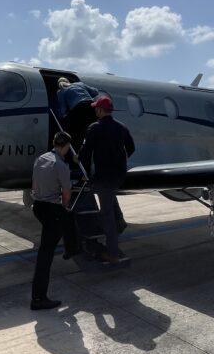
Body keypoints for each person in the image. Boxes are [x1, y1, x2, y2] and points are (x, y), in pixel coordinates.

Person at [78, 95, 135, 264]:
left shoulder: (95, 127)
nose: (95, 110)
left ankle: (112, 253)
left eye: (96, 108)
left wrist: (84, 174)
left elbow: (86, 154)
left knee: (106, 215)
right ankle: (120, 221)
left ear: (101, 110)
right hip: (119, 175)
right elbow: (131, 148)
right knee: (109, 200)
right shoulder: (122, 127)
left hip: (103, 176)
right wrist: (121, 160)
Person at [30, 132, 80, 310]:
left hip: (38, 206)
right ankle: (38, 298)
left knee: (66, 220)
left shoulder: (40, 159)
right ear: (66, 146)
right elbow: (66, 193)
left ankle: (71, 249)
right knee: (46, 254)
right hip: (51, 209)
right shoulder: (61, 165)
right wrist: (65, 206)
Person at [56, 77, 100, 150]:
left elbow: (62, 108)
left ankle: (76, 152)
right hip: (91, 107)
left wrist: (62, 118)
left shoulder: (60, 91)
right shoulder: (80, 84)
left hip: (78, 109)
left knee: (77, 134)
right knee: (93, 130)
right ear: (68, 81)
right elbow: (96, 92)